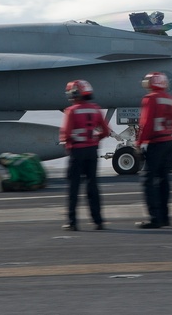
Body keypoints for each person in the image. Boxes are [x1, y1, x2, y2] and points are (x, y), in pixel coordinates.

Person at [59, 79, 111, 231]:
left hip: (77, 151)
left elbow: (66, 134)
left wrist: (69, 145)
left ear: (74, 94)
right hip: (92, 151)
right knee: (92, 186)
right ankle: (98, 221)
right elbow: (106, 131)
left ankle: (72, 222)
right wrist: (96, 139)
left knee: (73, 187)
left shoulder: (72, 111)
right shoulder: (96, 109)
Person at [136, 71, 172, 229]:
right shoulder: (171, 100)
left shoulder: (150, 99)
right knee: (164, 181)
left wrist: (138, 143)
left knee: (148, 181)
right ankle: (165, 217)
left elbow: (146, 123)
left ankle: (155, 218)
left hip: (156, 144)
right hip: (169, 143)